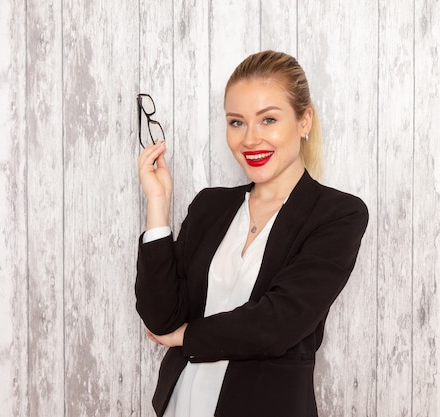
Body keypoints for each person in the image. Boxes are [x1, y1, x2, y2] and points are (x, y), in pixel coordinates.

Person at [135, 50, 369, 417]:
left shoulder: (337, 214)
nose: (250, 139)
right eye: (237, 122)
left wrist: (185, 337)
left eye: (268, 120)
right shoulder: (210, 206)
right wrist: (158, 204)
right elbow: (161, 317)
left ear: (304, 120)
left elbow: (277, 323)